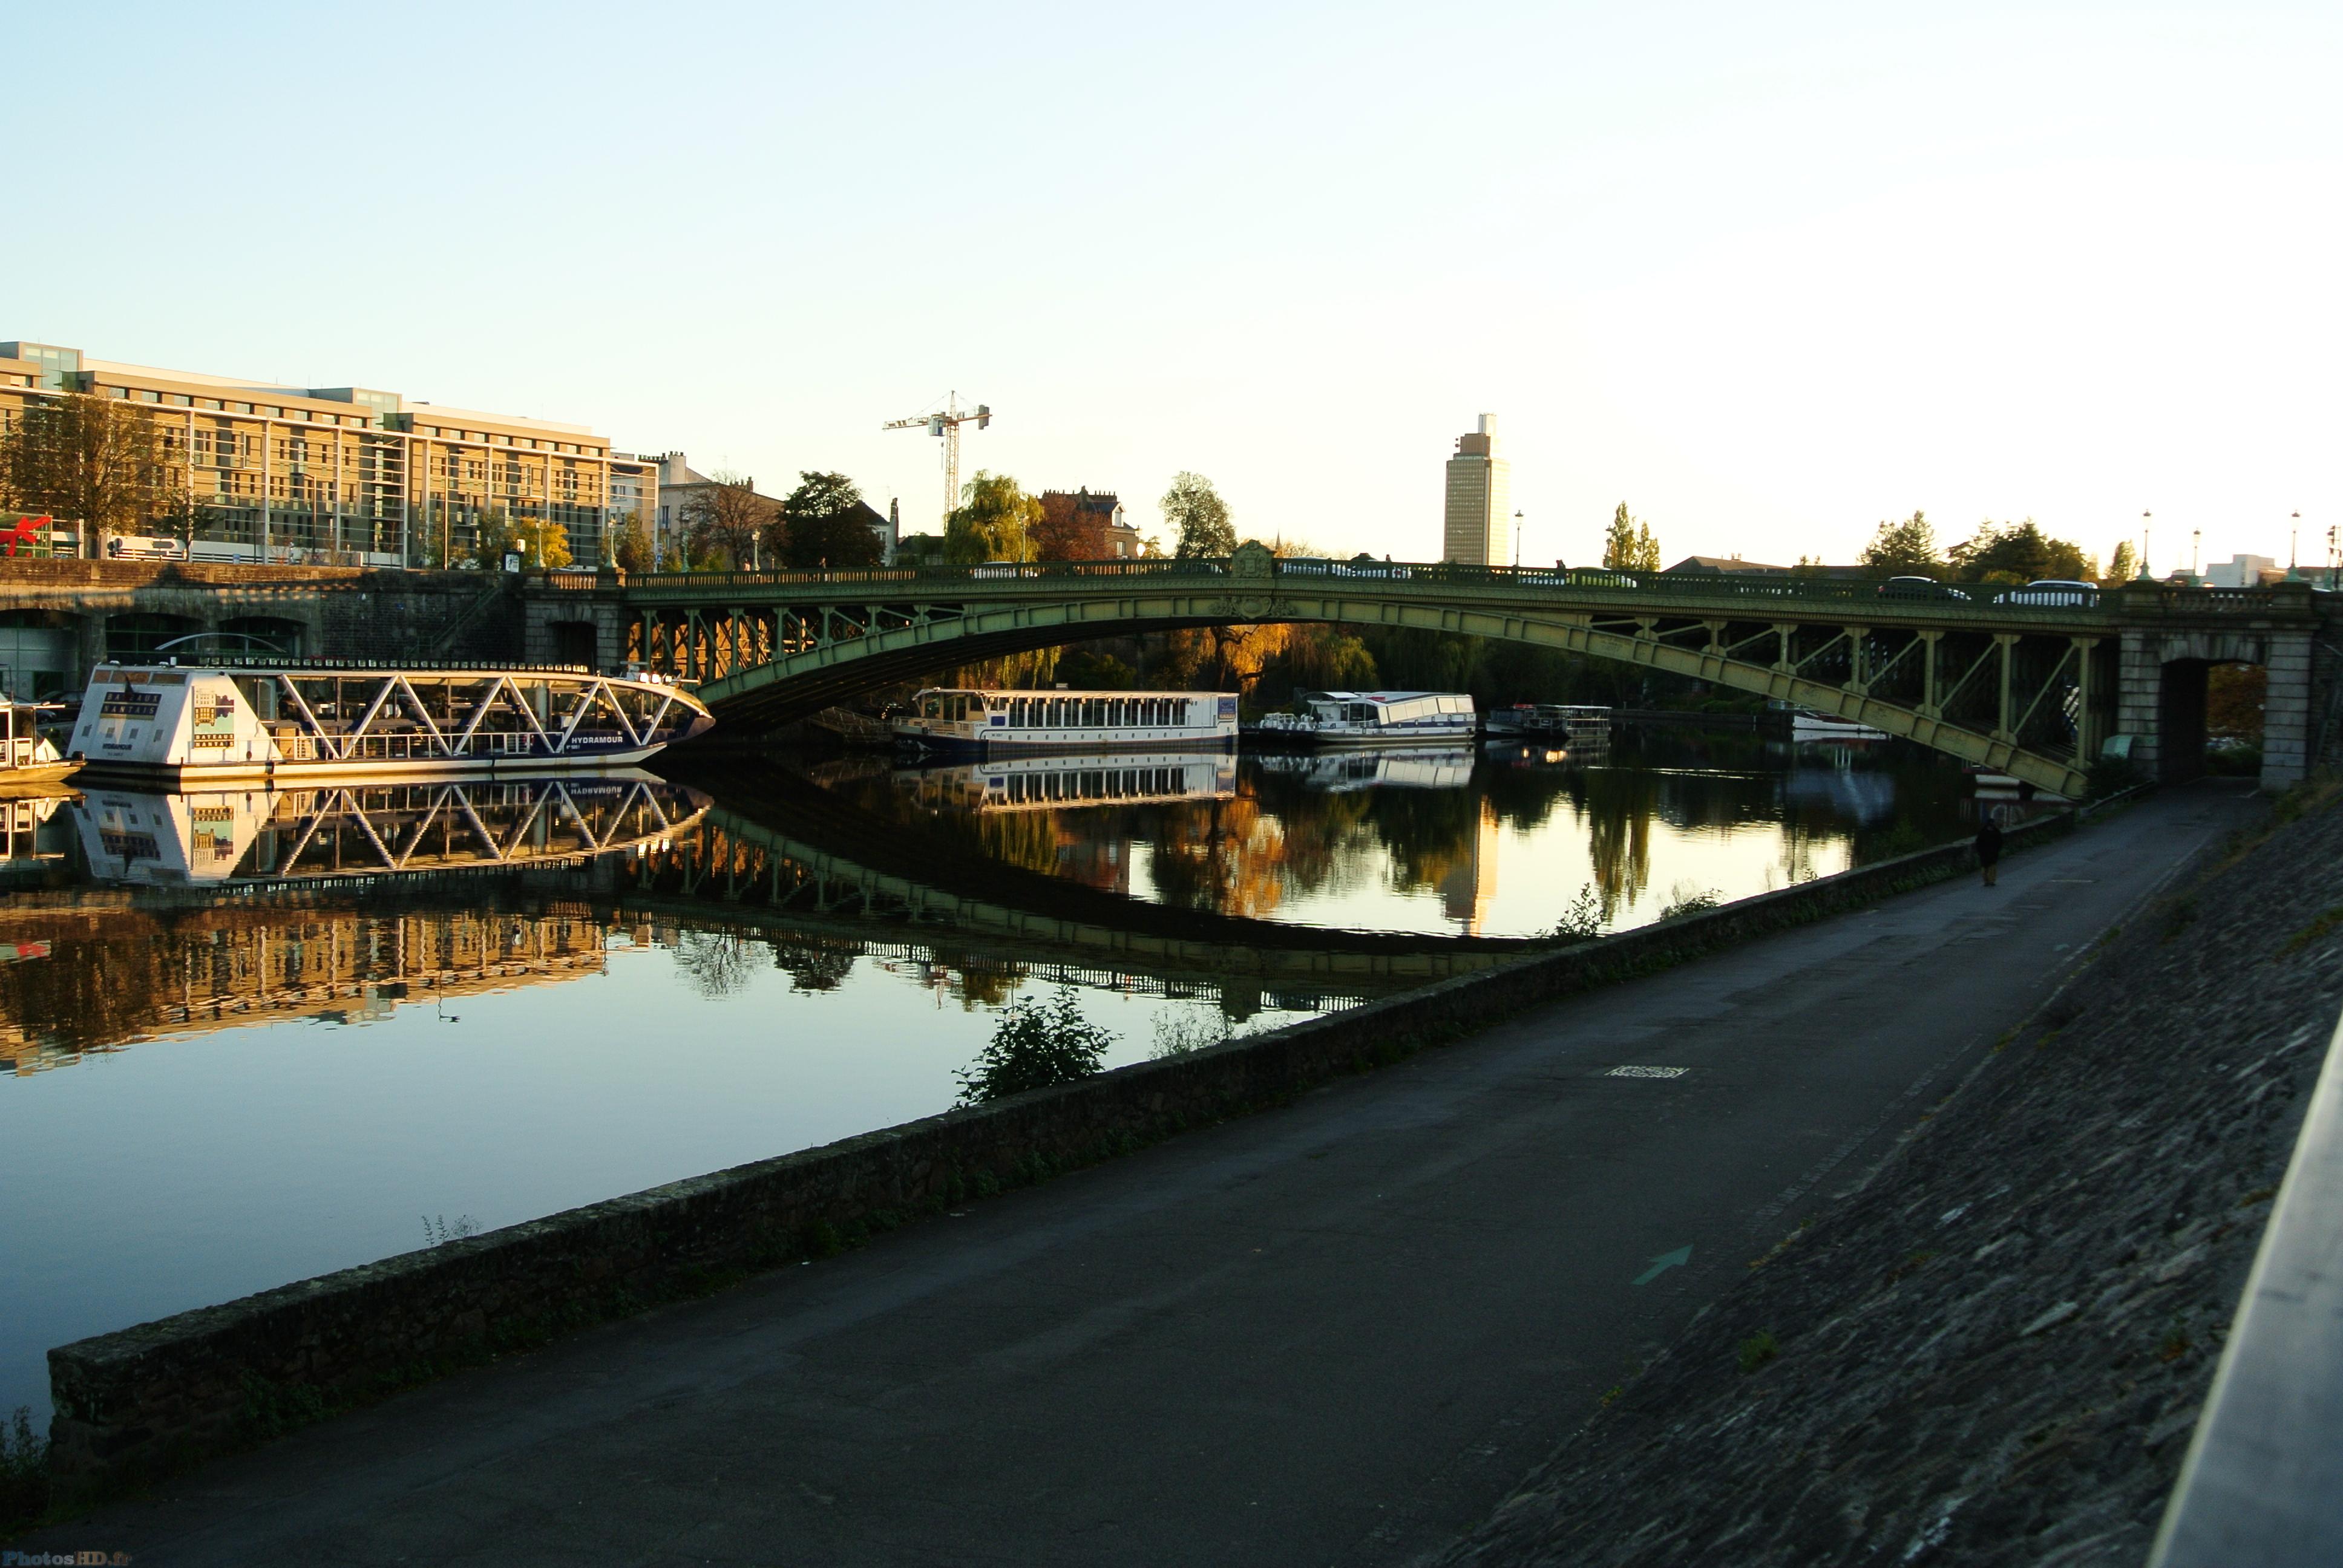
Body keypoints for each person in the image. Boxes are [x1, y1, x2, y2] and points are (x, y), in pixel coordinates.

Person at [1974, 814, 2005, 887]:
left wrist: (1997, 849)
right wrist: (1980, 851)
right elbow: (1978, 842)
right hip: (1984, 853)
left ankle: (1991, 881)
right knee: (1985, 868)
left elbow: (2000, 842)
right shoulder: (1984, 832)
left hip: (1993, 852)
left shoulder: (1995, 832)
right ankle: (1987, 881)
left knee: (1992, 867)